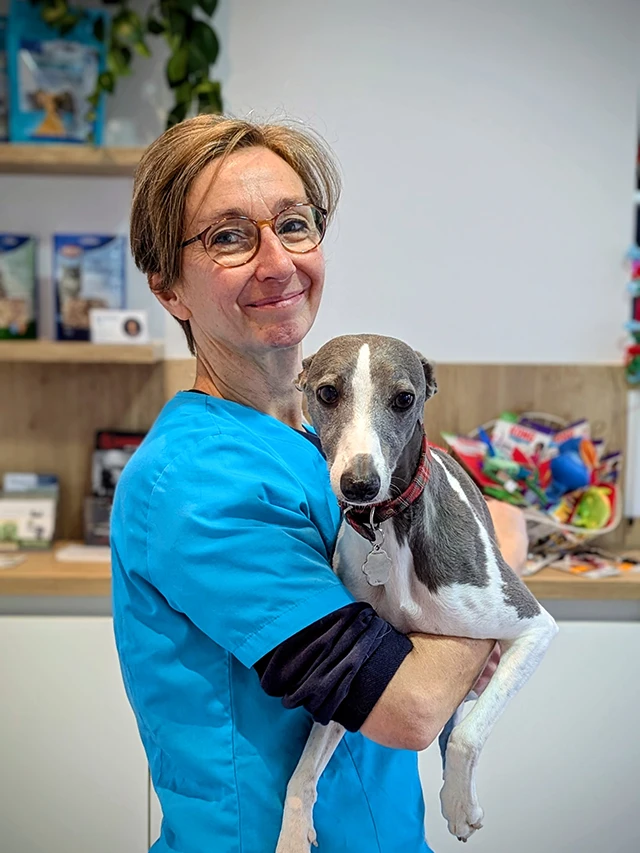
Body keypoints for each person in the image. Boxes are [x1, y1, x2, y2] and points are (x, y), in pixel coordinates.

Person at [111, 114, 528, 853]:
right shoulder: (194, 485)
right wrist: (495, 557)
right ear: (169, 288)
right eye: (230, 236)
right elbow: (411, 706)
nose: (277, 262)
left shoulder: (316, 447)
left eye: (294, 224)